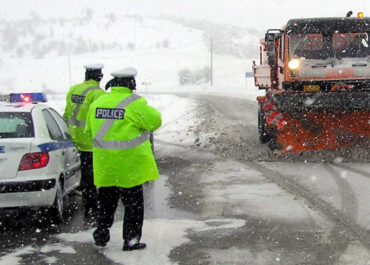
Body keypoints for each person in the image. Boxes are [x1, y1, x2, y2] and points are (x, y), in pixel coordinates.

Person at [85, 67, 162, 251]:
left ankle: (101, 233)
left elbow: (89, 130)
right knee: (133, 207)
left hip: (106, 166)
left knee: (106, 204)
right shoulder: (134, 103)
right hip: (129, 167)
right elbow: (155, 121)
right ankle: (131, 240)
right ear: (131, 83)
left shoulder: (98, 102)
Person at [63, 64, 106, 227]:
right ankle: (93, 210)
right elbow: (100, 119)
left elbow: (67, 113)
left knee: (86, 175)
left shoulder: (73, 89)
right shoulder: (98, 93)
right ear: (99, 77)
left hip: (76, 139)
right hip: (92, 142)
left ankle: (90, 207)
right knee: (94, 178)